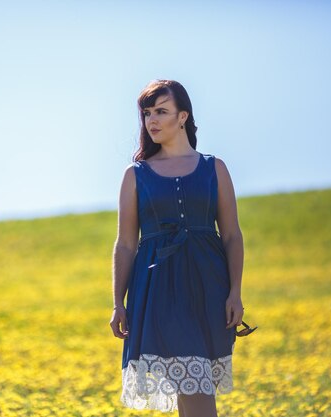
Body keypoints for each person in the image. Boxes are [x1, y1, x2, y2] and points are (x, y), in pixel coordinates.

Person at [110, 79, 249, 416]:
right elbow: (126, 244)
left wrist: (234, 292)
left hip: (208, 289)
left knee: (194, 393)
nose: (152, 120)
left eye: (161, 111)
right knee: (196, 389)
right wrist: (118, 303)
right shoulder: (136, 174)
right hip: (158, 293)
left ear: (183, 116)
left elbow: (231, 235)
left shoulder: (214, 168)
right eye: (147, 113)